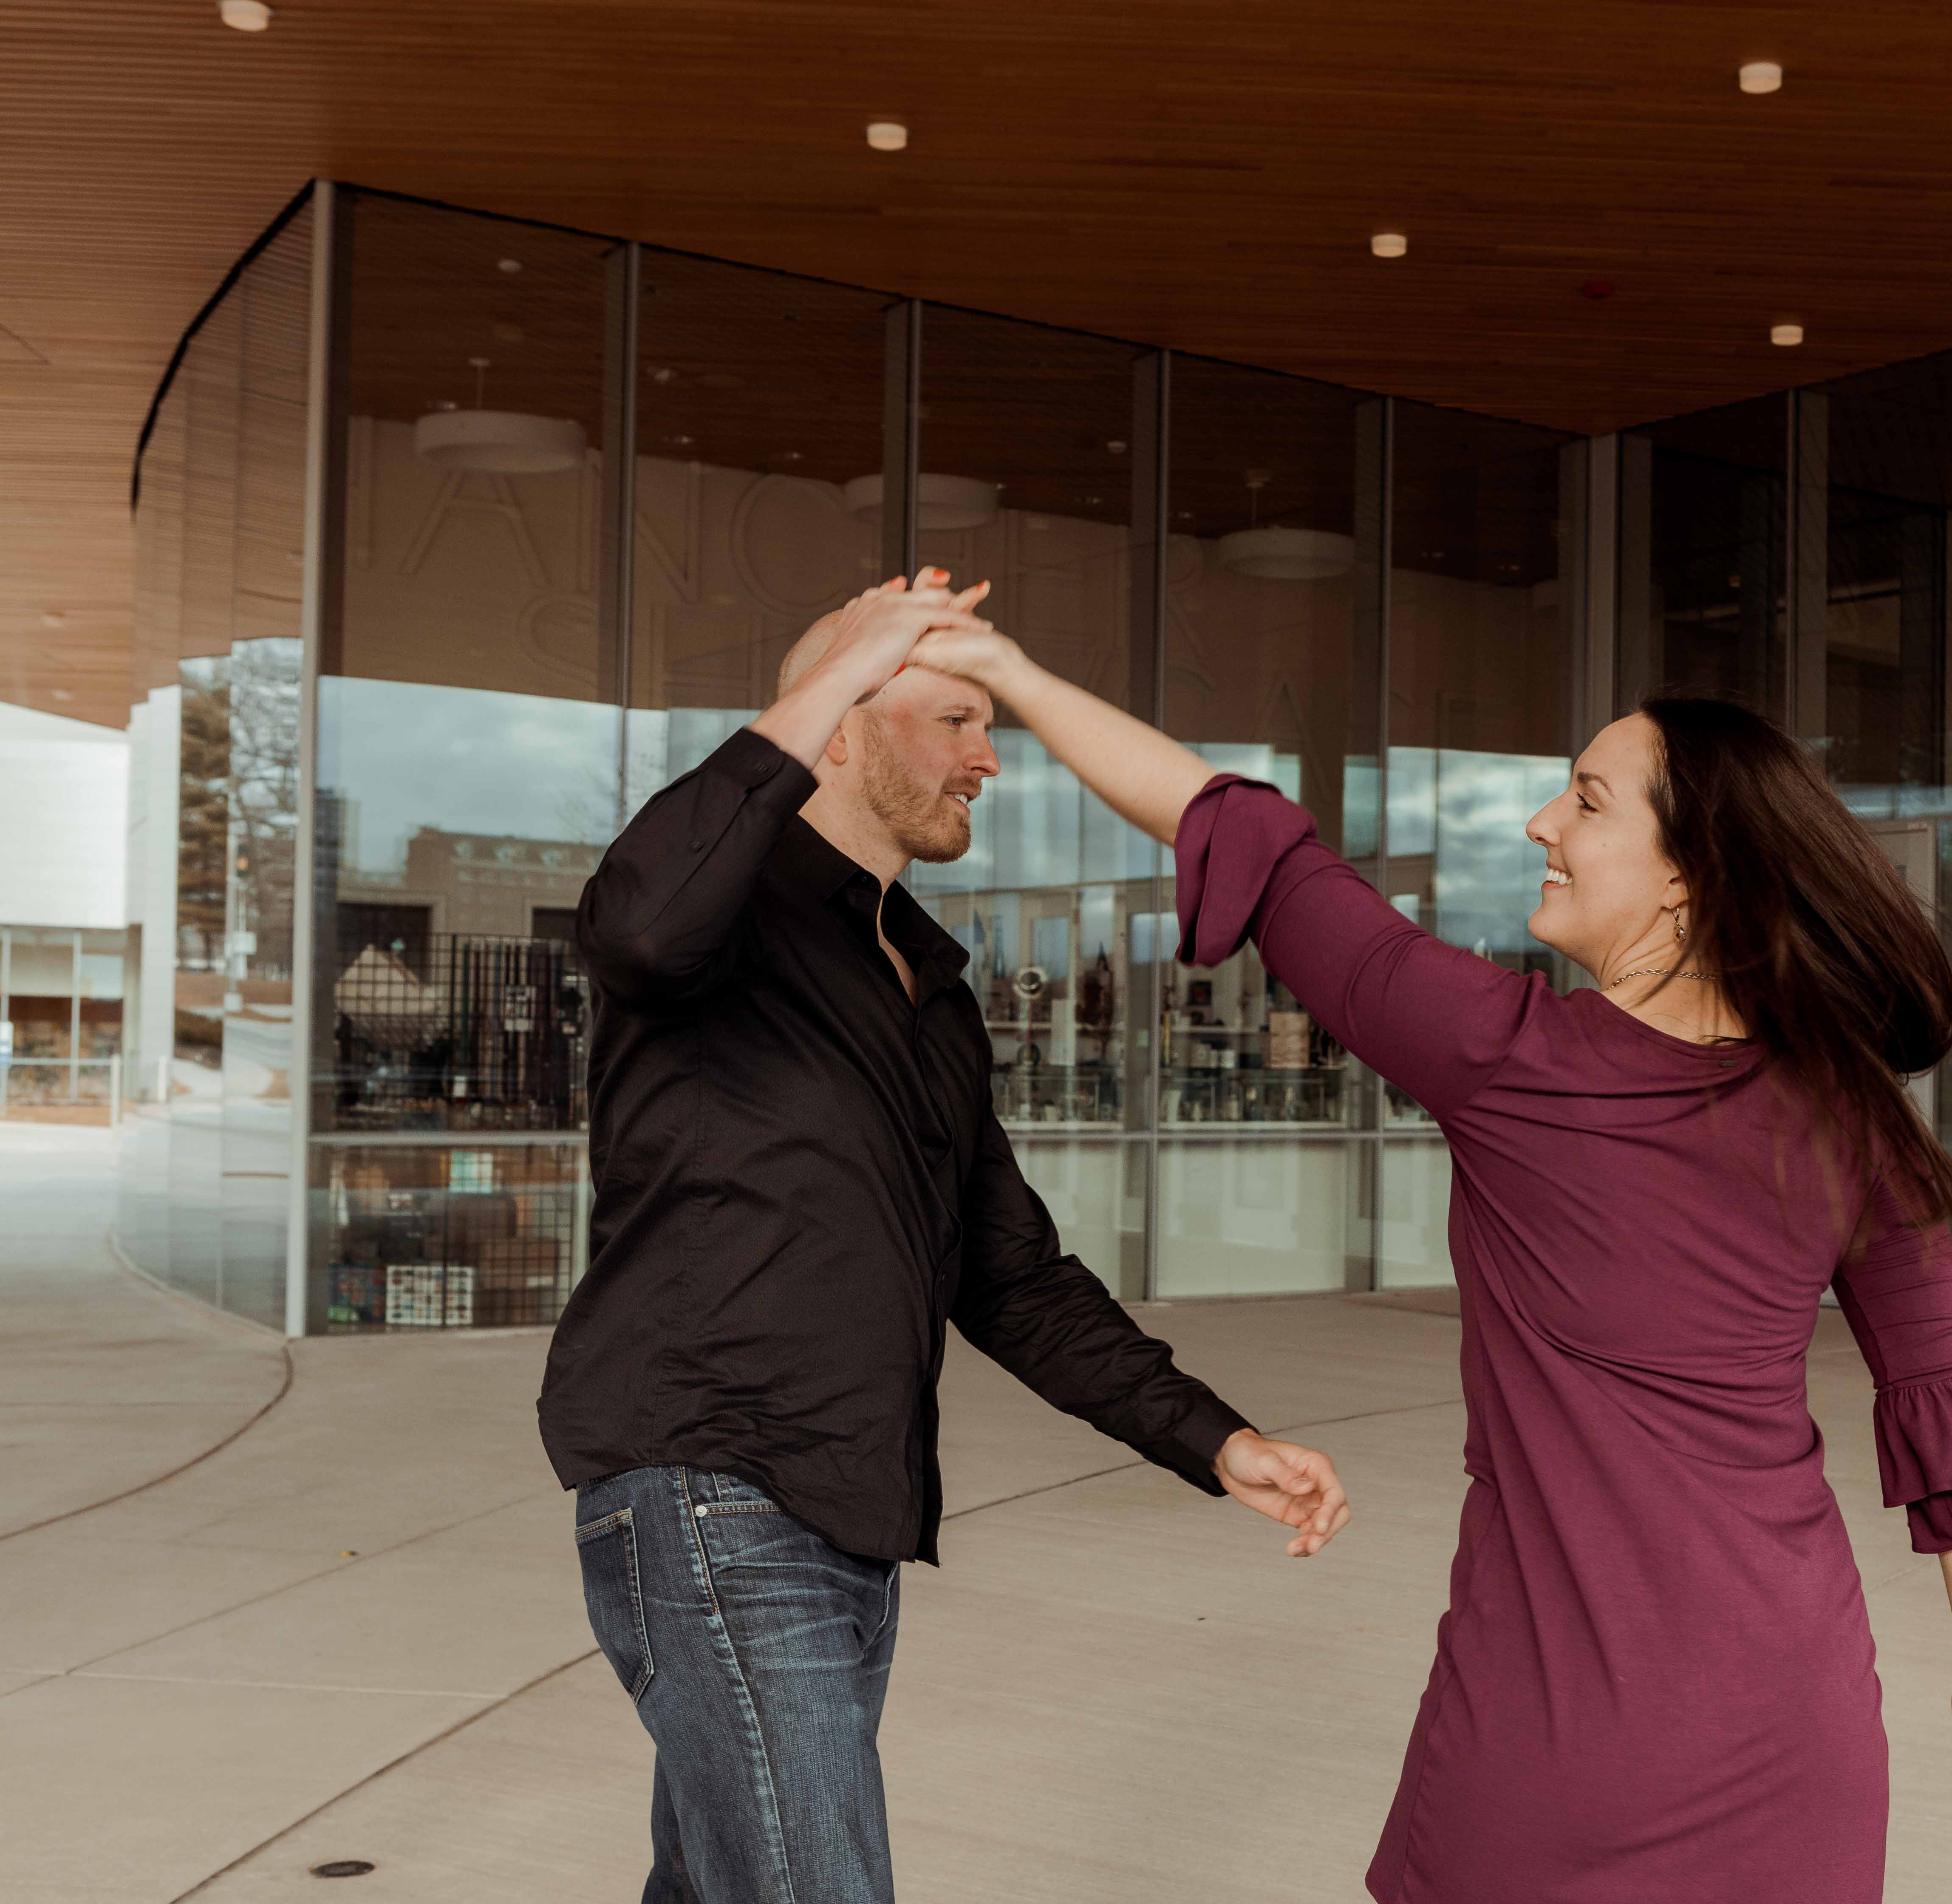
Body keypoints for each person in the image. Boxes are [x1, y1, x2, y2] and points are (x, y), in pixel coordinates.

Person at [906, 616, 1952, 1903]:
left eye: (1584, 800)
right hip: (1794, 1714)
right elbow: (1942, 1401)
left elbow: (1239, 831)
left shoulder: (1508, 1057)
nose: (1541, 824)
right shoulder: (1851, 1112)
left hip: (1556, 1724)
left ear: (1689, 877)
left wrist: (1016, 675)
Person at [538, 571, 1353, 1904]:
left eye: (991, 728)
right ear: (842, 727)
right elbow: (635, 923)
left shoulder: (926, 987)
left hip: (850, 1515)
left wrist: (1213, 1436)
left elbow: (1010, 1273)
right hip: (715, 1485)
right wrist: (836, 658)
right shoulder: (713, 922)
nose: (986, 759)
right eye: (952, 720)